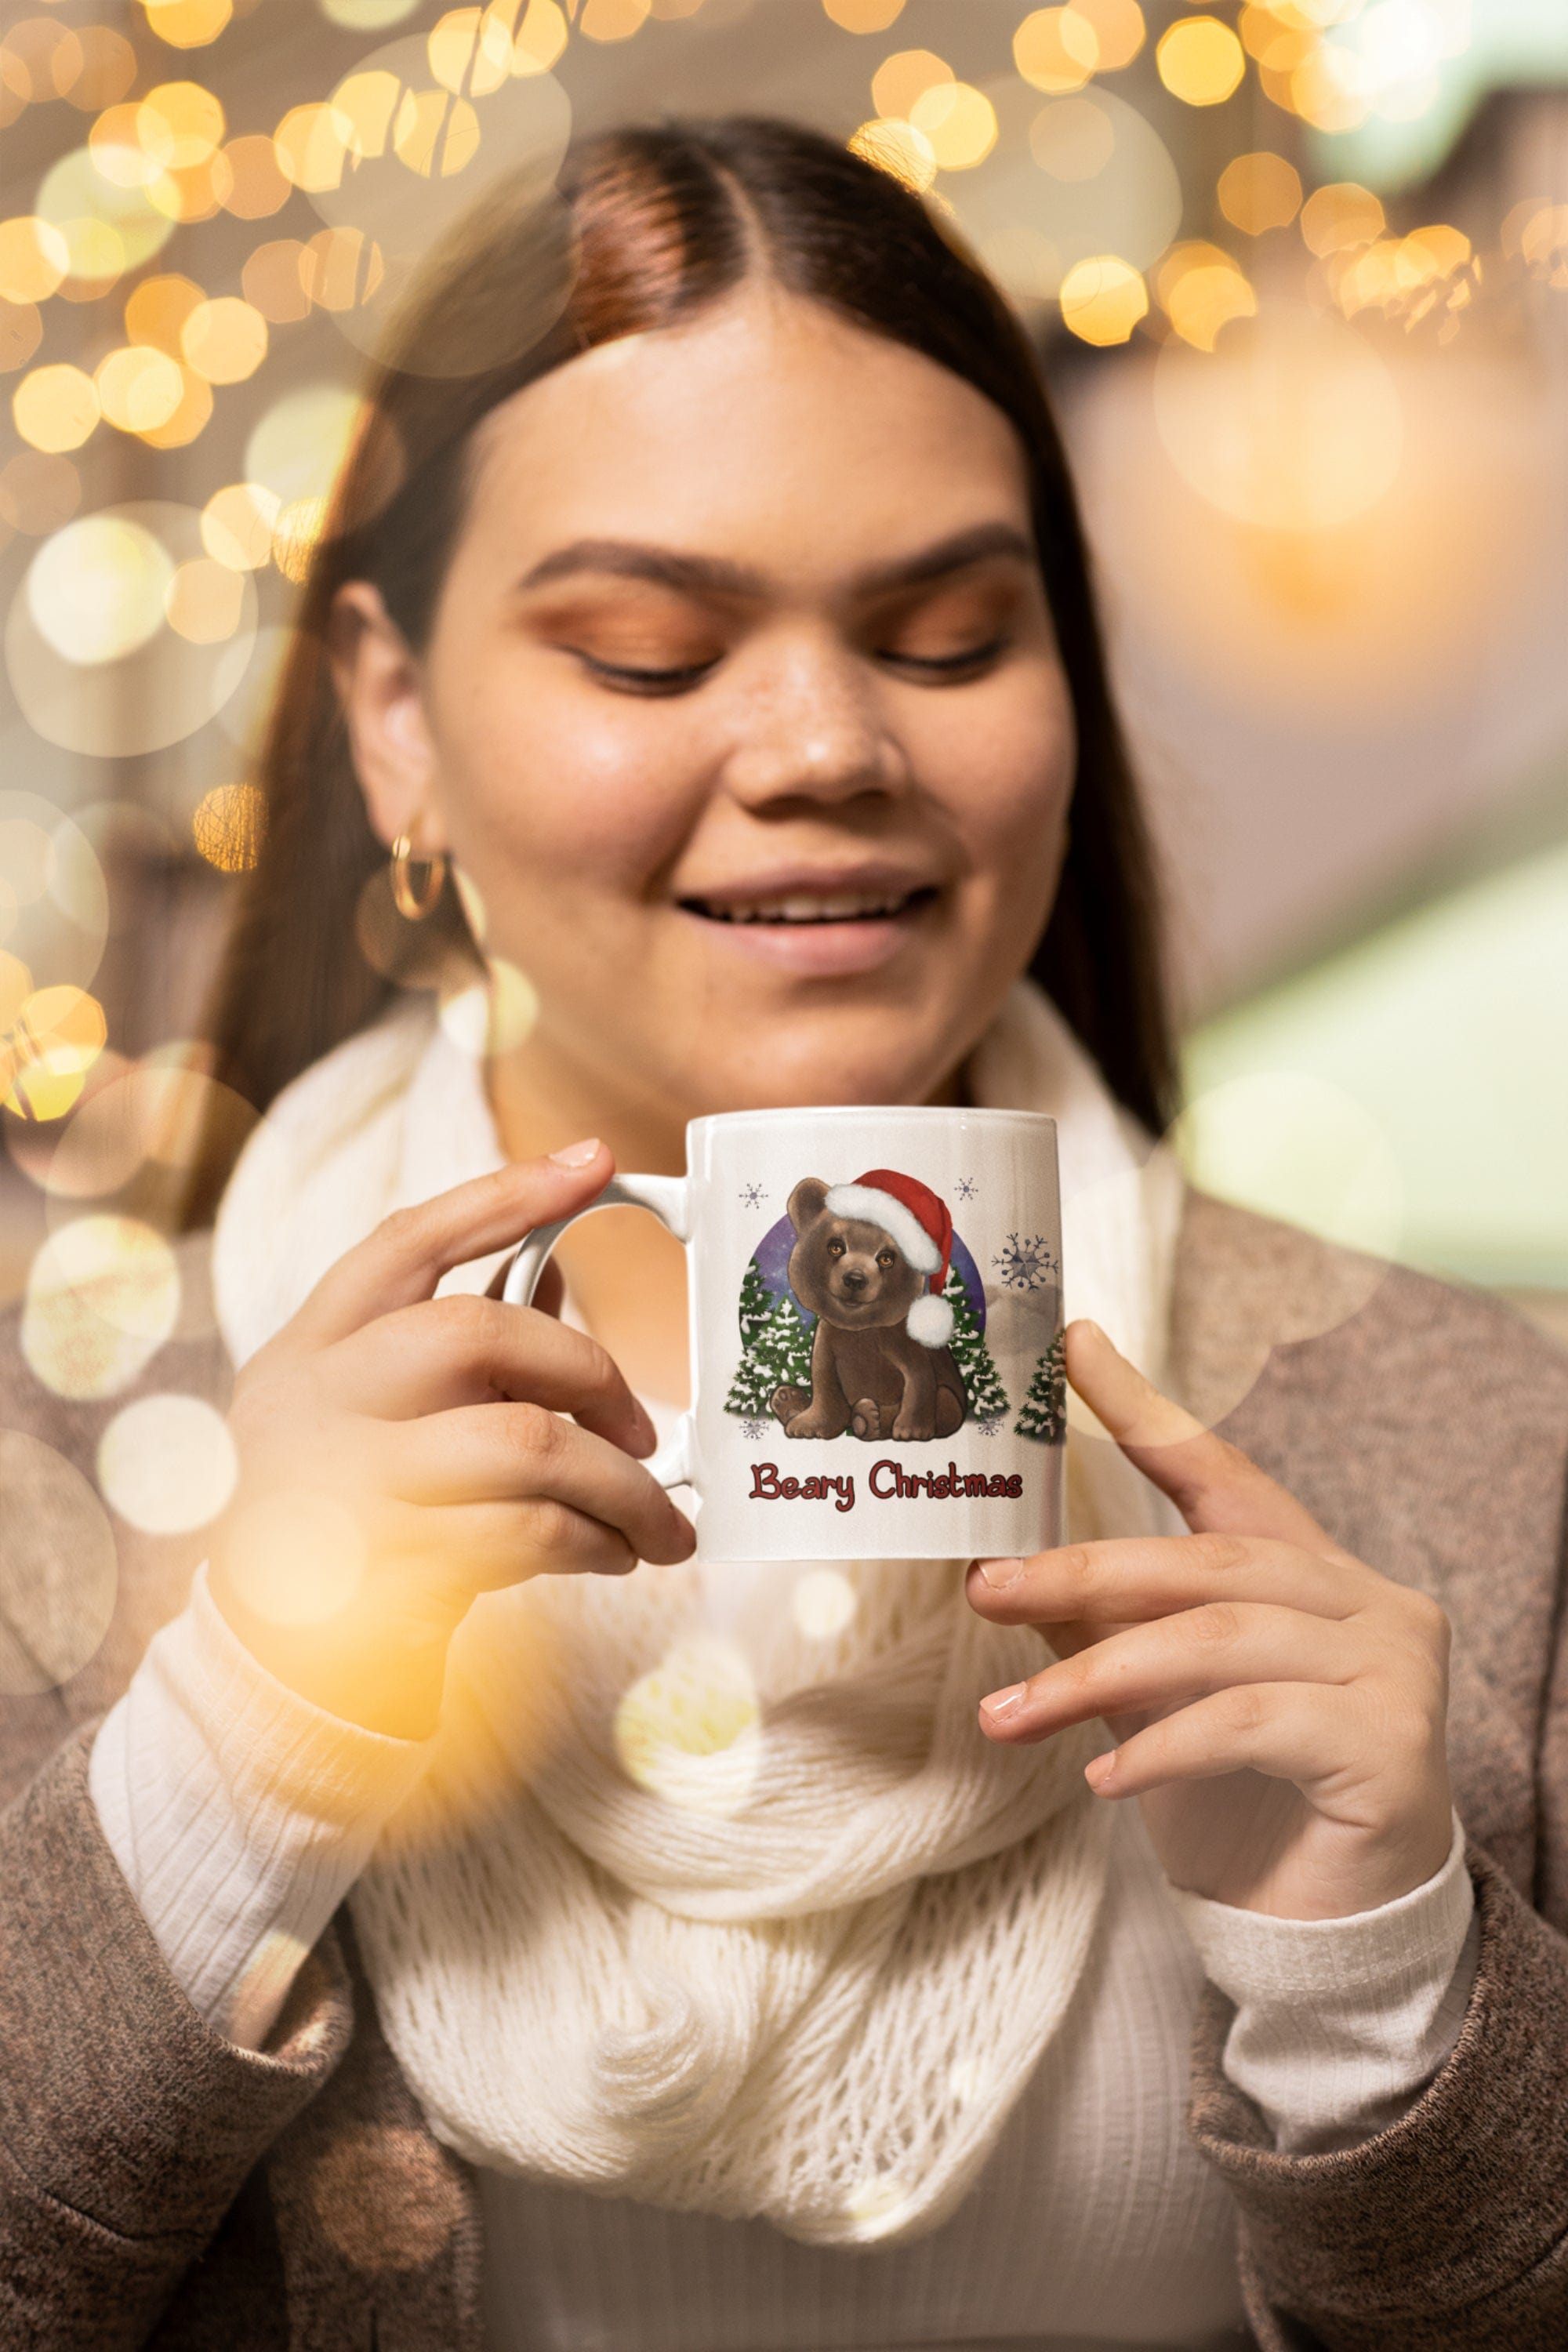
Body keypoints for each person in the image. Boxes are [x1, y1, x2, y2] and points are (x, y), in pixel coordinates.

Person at [2, 115, 1565, 2352]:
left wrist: (1387, 1984)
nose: (828, 741)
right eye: (649, 652)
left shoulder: (1486, 1461)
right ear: (391, 713)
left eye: (949, 635)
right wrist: (227, 1748)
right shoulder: (65, 1451)